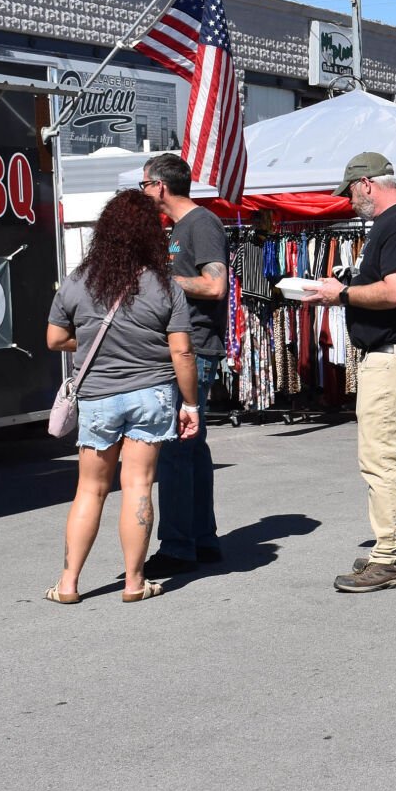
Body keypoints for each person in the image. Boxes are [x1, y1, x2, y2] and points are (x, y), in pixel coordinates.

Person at [44, 190, 200, 604]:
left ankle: (69, 583)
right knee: (138, 486)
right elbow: (182, 351)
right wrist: (191, 404)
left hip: (97, 397)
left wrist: (94, 338)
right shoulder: (165, 286)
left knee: (90, 489)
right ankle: (134, 582)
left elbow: (55, 338)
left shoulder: (79, 280)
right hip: (151, 394)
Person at [300, 154, 396, 592]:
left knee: (382, 459)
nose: (350, 202)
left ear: (365, 184)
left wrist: (341, 294)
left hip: (392, 357)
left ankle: (392, 557)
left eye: (351, 193)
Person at [138, 153, 226, 578]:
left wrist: (161, 280)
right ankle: (201, 538)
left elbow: (215, 285)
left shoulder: (201, 223)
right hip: (184, 346)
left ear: (160, 186)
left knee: (175, 449)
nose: (142, 192)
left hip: (195, 348)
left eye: (144, 185)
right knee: (190, 449)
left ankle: (177, 546)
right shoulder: (177, 229)